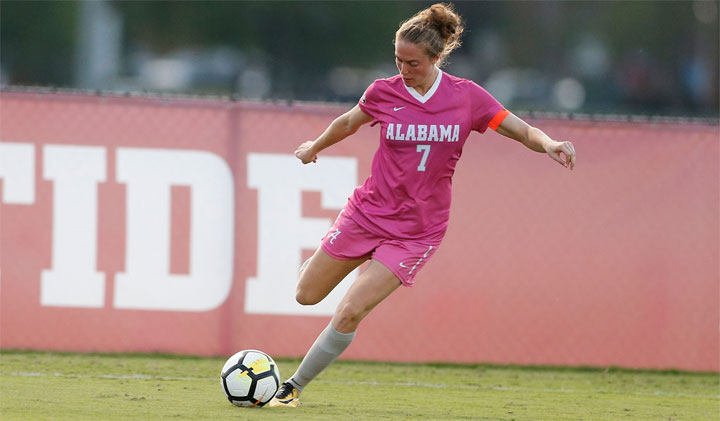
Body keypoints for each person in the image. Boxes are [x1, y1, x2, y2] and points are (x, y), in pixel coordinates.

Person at [268, 2, 576, 408]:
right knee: (305, 295)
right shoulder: (383, 91)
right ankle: (347, 253)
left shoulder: (467, 98)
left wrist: (549, 144)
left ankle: (293, 388)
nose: (403, 70)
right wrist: (314, 148)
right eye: (397, 59)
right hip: (368, 213)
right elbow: (347, 122)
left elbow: (518, 129)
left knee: (348, 312)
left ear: (435, 58)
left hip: (417, 231)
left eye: (412, 62)